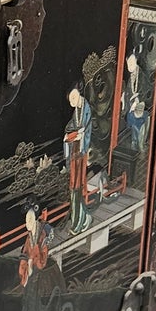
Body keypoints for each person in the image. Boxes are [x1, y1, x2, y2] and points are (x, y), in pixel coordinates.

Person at [19, 206, 52, 311]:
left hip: (38, 280)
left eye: (30, 220)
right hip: (29, 280)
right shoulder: (29, 236)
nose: (27, 223)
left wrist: (34, 261)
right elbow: (24, 254)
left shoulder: (41, 236)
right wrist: (25, 266)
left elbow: (43, 260)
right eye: (26, 220)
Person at [64, 86, 91, 234]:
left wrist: (81, 136)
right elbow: (72, 126)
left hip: (81, 152)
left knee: (78, 187)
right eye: (70, 101)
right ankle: (77, 219)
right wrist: (69, 135)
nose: (72, 103)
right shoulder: (76, 111)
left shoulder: (86, 109)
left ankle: (80, 220)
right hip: (75, 151)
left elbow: (87, 130)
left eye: (73, 99)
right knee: (73, 186)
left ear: (78, 94)